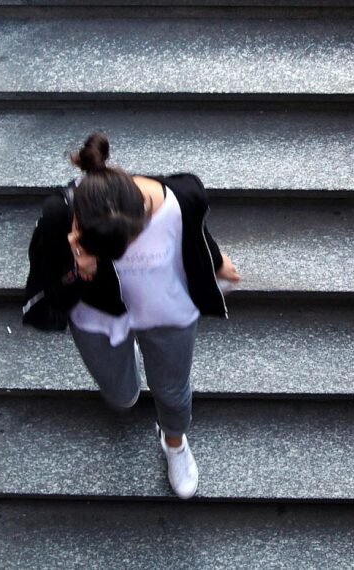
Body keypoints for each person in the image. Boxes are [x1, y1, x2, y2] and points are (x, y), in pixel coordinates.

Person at [28, 132, 240, 499]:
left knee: (172, 392)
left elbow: (196, 235)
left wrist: (217, 262)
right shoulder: (58, 215)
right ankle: (131, 377)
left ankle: (174, 441)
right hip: (100, 318)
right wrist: (80, 271)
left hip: (168, 312)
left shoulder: (180, 197)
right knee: (122, 395)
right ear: (77, 227)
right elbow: (46, 295)